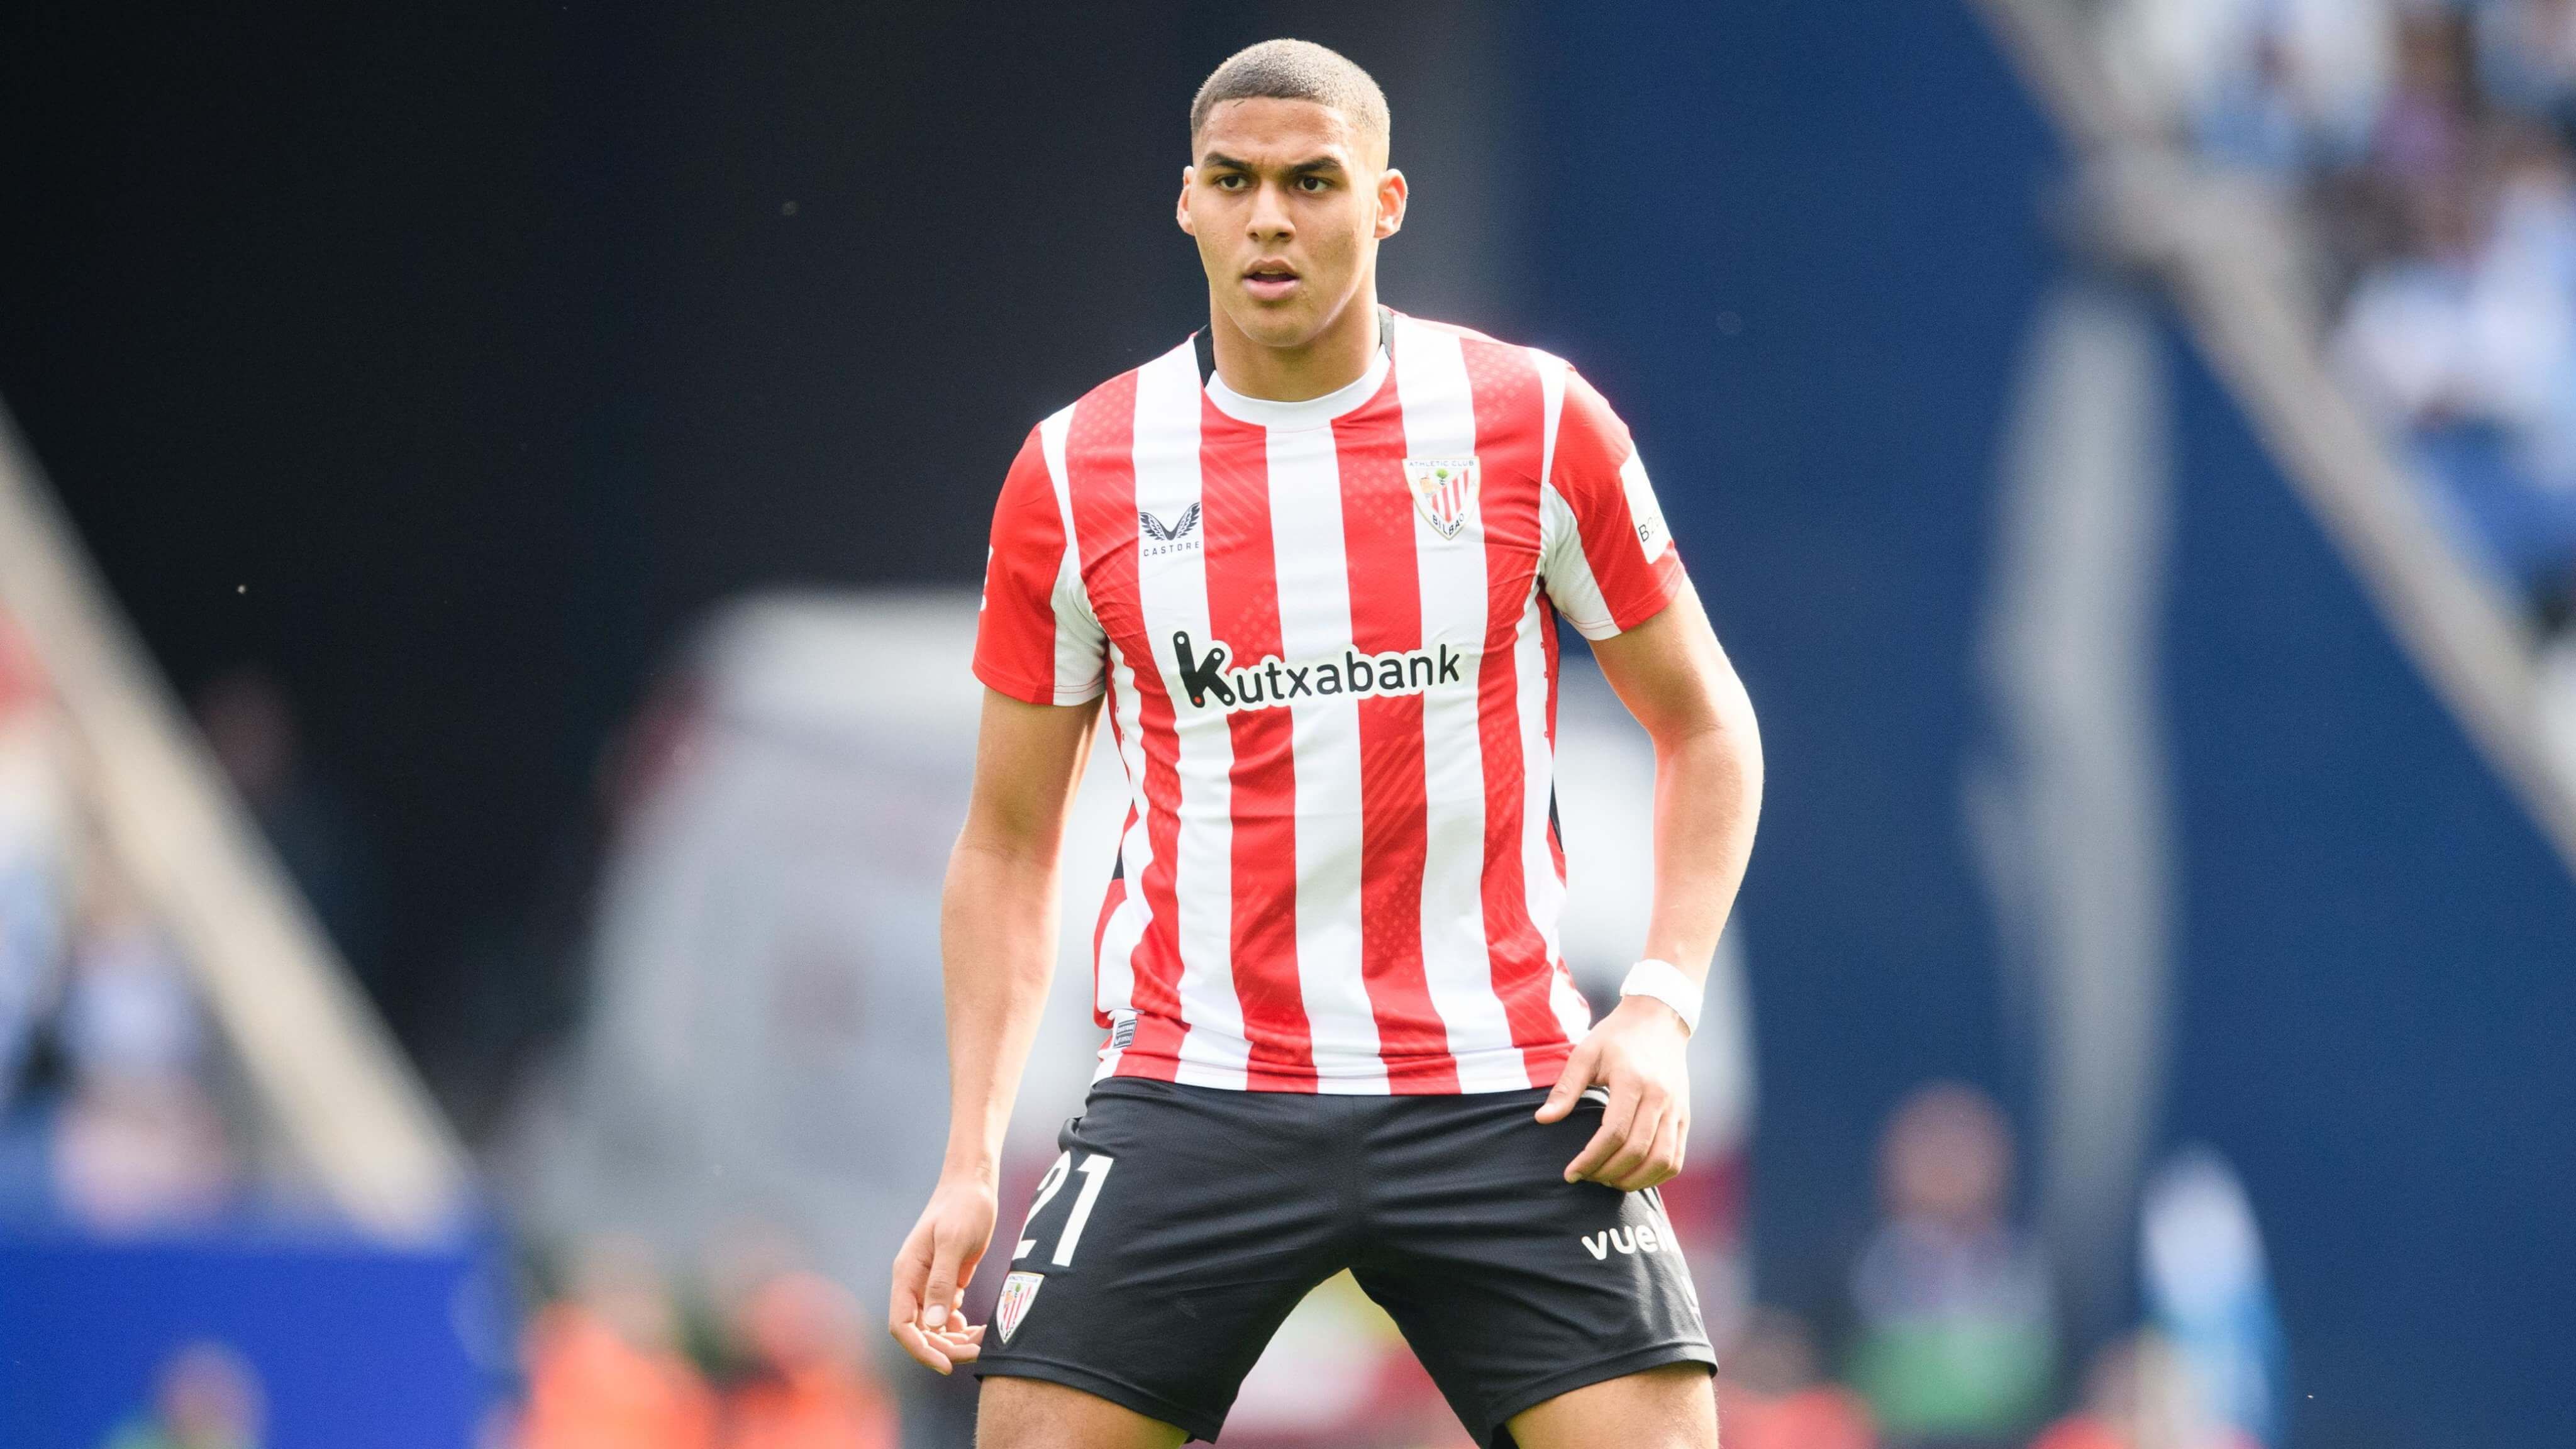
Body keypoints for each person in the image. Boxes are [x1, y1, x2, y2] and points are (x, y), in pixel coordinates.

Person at [883, 38, 1764, 1449]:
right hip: (1196, 1083)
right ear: (1186, 203)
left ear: (1388, 201)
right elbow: (1004, 840)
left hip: (1497, 1085)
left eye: (1311, 181)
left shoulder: (1531, 424)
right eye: (1232, 183)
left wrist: (1657, 1002)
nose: (1270, 220)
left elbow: (1707, 726)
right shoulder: (1075, 469)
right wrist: (970, 1159)